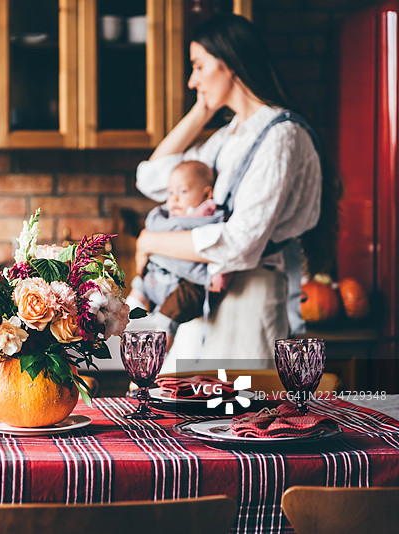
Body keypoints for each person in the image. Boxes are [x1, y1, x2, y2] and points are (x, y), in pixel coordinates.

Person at [132, 14, 340, 368]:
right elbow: (152, 179)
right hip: (206, 306)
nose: (192, 79)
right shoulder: (231, 135)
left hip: (251, 301)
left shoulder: (281, 135)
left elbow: (241, 243)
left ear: (229, 63)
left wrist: (150, 241)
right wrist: (201, 111)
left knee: (238, 415)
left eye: (198, 66)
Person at [127, 160, 228, 350]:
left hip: (186, 281)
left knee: (176, 305)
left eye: (182, 192)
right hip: (159, 274)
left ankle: (159, 347)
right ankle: (131, 308)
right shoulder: (166, 216)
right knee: (142, 280)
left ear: (206, 194)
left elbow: (222, 247)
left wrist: (220, 274)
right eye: (171, 193)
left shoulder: (208, 218)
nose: (174, 199)